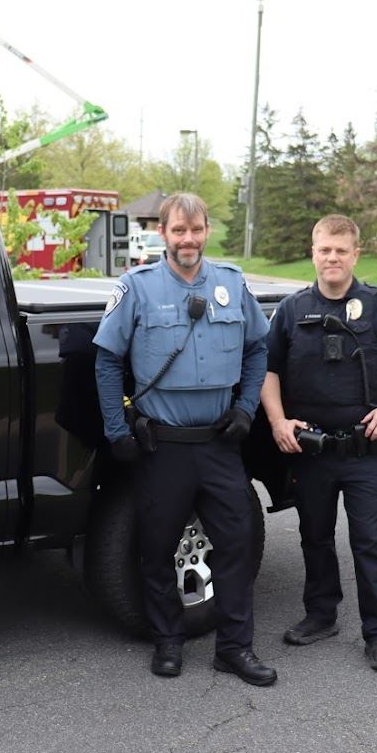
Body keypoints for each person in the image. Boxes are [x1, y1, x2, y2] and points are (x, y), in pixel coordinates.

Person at [92, 192, 276, 686]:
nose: (187, 240)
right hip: (164, 446)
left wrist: (245, 409)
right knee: (156, 549)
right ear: (163, 233)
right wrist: (116, 430)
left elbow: (258, 350)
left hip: (219, 444)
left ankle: (235, 648)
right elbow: (107, 362)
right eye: (178, 231)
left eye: (195, 230)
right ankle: (168, 640)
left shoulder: (232, 284)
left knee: (236, 547)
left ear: (207, 230)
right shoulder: (137, 287)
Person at [260, 215, 377, 672]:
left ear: (356, 254)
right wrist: (277, 421)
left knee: (370, 542)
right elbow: (268, 370)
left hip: (365, 453)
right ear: (313, 252)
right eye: (323, 250)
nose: (331, 258)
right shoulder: (292, 310)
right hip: (310, 451)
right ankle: (321, 614)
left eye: (340, 250)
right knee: (314, 537)